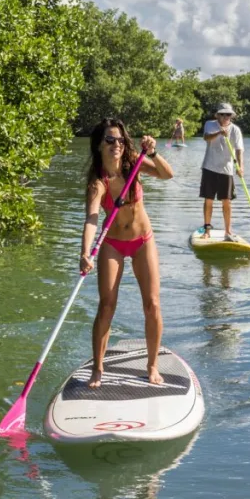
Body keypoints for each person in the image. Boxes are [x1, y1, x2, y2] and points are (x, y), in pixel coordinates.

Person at [80, 118, 174, 387]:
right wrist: (85, 252)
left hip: (143, 241)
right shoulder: (98, 182)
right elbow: (91, 219)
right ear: (99, 145)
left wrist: (154, 152)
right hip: (112, 244)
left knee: (152, 304)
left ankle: (152, 365)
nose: (116, 145)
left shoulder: (134, 163)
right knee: (106, 305)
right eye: (110, 140)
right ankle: (98, 369)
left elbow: (167, 174)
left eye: (120, 140)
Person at [199, 102, 244, 240]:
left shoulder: (235, 129)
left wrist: (240, 167)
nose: (225, 117)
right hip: (209, 167)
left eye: (228, 114)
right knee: (209, 199)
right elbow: (206, 137)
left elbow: (239, 149)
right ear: (217, 115)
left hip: (227, 170)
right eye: (223, 114)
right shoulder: (210, 124)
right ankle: (207, 230)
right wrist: (219, 132)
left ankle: (228, 231)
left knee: (227, 201)